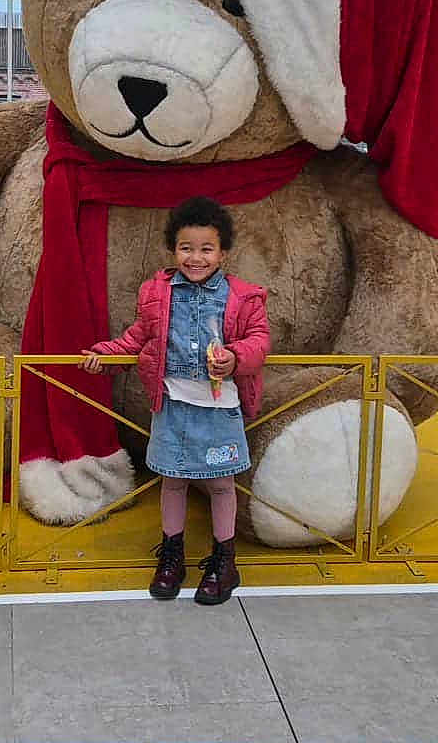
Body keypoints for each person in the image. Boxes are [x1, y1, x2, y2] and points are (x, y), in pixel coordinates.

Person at [80, 196, 270, 604]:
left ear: (223, 252)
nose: (196, 258)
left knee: (222, 484)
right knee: (174, 480)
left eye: (206, 249)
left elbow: (259, 341)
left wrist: (235, 358)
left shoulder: (244, 297)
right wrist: (104, 356)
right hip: (173, 407)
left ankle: (224, 562)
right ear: (173, 249)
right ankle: (172, 557)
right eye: (187, 248)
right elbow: (135, 338)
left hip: (220, 411)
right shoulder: (156, 293)